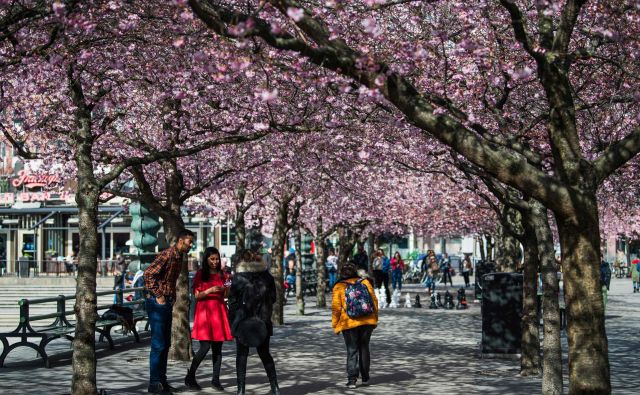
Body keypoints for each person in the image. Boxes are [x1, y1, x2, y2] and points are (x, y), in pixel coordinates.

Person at [143, 229, 195, 394]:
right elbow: (148, 274)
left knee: (165, 344)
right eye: (189, 242)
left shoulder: (179, 257)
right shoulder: (167, 255)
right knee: (158, 345)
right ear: (180, 241)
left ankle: (162, 381)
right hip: (158, 303)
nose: (191, 245)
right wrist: (159, 296)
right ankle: (154, 383)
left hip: (166, 303)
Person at [228, 238, 280, 395]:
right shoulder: (267, 277)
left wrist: (235, 319)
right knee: (265, 353)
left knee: (242, 355)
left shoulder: (239, 277)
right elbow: (274, 298)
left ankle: (241, 390)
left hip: (243, 321)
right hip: (263, 320)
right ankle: (275, 387)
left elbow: (232, 301)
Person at [185, 247, 233, 391]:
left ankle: (215, 380)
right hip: (205, 312)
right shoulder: (200, 274)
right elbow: (197, 296)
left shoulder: (223, 274)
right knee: (205, 347)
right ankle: (190, 376)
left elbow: (226, 294)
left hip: (218, 311)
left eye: (217, 259)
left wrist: (228, 285)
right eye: (212, 259)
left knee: (217, 349)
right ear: (206, 259)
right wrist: (210, 290)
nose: (215, 261)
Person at [332, 262, 378, 389]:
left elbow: (336, 308)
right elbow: (374, 301)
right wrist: (374, 320)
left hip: (349, 323)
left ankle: (352, 380)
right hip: (367, 321)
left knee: (352, 351)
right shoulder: (365, 282)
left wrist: (335, 325)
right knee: (364, 348)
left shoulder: (339, 286)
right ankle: (365, 378)